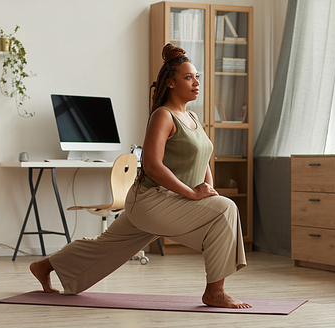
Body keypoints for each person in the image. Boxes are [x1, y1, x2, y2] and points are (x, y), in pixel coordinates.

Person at [30, 43, 251, 309]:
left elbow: (203, 157)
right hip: (151, 200)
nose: (196, 82)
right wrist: (193, 194)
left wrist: (207, 189)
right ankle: (215, 292)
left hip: (171, 202)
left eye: (197, 77)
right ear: (170, 83)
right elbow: (152, 165)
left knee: (105, 246)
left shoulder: (191, 116)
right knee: (226, 210)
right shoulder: (163, 116)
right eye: (188, 77)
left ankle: (44, 266)